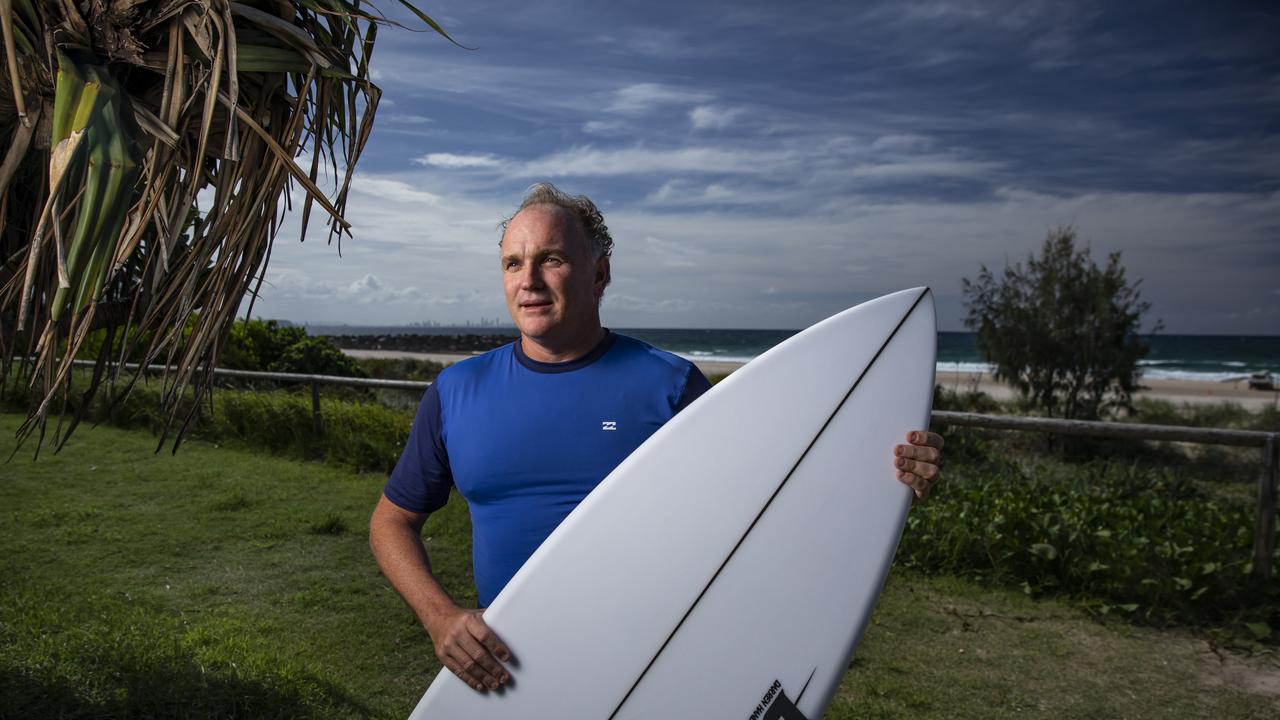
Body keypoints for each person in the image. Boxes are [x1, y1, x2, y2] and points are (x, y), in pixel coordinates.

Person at [368, 183, 944, 695]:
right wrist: (439, 616)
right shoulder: (457, 391)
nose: (529, 281)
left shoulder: (668, 385)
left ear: (599, 272)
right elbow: (391, 521)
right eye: (513, 264)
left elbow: (771, 501)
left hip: (658, 662)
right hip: (514, 674)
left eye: (551, 259)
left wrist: (885, 471)